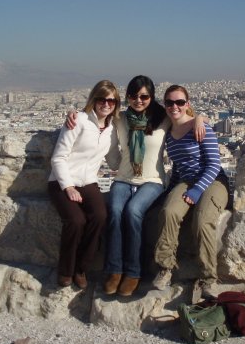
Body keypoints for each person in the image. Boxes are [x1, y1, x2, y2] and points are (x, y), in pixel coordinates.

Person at [66, 75, 205, 297]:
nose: (138, 100)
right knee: (114, 211)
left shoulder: (163, 118)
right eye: (133, 95)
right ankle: (114, 270)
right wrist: (73, 114)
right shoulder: (120, 118)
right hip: (123, 178)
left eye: (144, 96)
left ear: (151, 97)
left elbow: (188, 115)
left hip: (153, 181)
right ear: (127, 96)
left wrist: (200, 119)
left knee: (133, 212)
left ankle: (133, 272)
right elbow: (96, 118)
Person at [152, 84, 229, 298]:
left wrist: (196, 191)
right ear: (165, 105)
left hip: (213, 181)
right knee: (168, 212)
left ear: (188, 104)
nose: (174, 106)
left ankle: (208, 278)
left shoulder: (202, 128)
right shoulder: (169, 134)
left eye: (179, 102)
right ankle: (165, 268)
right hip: (185, 181)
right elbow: (179, 165)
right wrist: (170, 190)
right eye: (170, 102)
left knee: (203, 220)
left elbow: (214, 165)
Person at [48, 80, 120, 289]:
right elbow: (58, 158)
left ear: (116, 104)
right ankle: (66, 270)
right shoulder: (78, 121)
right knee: (76, 220)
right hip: (62, 181)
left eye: (111, 101)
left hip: (89, 182)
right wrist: (68, 187)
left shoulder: (112, 129)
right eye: (102, 99)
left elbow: (114, 160)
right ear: (94, 100)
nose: (106, 104)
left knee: (100, 217)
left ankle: (82, 268)